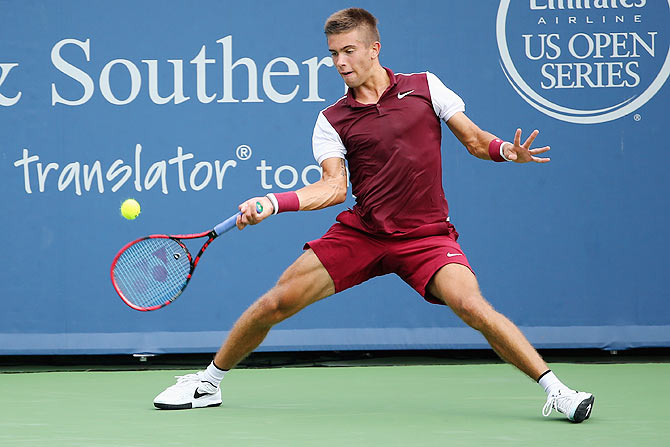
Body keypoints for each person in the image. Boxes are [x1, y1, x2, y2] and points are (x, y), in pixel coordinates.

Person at [154, 7, 594, 422]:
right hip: (365, 233)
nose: (340, 62)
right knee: (276, 302)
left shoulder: (425, 87)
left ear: (373, 49)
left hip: (426, 238)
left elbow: (476, 142)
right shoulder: (332, 119)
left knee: (472, 305)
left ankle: (557, 390)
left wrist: (506, 152)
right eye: (332, 54)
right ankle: (207, 383)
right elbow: (333, 188)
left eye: (348, 51)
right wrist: (275, 201)